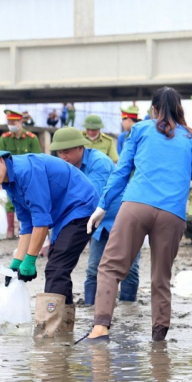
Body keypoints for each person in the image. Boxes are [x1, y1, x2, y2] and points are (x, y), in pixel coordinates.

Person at [85, 87, 192, 342]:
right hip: (172, 214)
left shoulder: (139, 130)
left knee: (110, 267)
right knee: (161, 277)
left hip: (136, 206)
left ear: (153, 110)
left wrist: (102, 205)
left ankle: (100, 327)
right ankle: (158, 341)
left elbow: (122, 171)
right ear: (181, 110)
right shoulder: (191, 139)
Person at [0, 145, 97, 337]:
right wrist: (17, 263)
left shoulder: (26, 171)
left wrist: (30, 259)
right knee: (57, 265)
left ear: (0, 159)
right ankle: (63, 329)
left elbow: (41, 222)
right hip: (62, 215)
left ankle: (49, 334)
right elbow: (27, 223)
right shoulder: (10, 183)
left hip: (81, 207)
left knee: (56, 268)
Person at [49, 126, 140, 307]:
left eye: (66, 152)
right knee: (93, 268)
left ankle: (128, 309)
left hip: (121, 217)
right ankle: (91, 307)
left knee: (128, 268)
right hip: (96, 220)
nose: (62, 157)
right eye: (59, 152)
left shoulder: (99, 162)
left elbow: (93, 197)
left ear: (80, 148)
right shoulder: (64, 166)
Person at [0, 109, 42, 239]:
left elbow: (36, 159)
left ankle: (25, 230)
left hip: (27, 177)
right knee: (10, 202)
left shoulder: (31, 139)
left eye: (13, 121)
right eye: (8, 121)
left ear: (20, 121)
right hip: (9, 176)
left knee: (29, 202)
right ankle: (10, 231)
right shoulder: (4, 139)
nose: (10, 124)